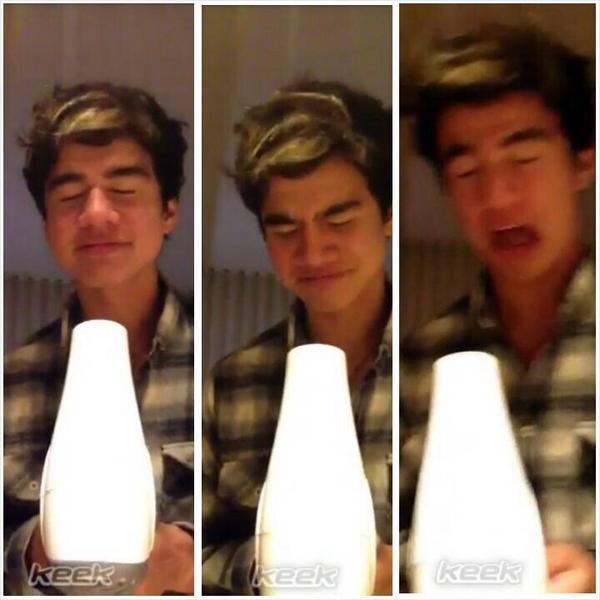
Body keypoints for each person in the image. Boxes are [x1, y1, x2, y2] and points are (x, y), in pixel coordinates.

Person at [400, 24, 595, 593]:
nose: (498, 198)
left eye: (524, 158)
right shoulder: (419, 362)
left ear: (583, 163)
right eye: (467, 173)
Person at [202, 80, 392, 595]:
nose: (312, 251)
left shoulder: (445, 365)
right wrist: (277, 569)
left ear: (388, 215)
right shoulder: (233, 384)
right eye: (285, 229)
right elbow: (195, 556)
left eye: (339, 218)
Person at [4, 83, 194, 595]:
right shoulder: (10, 383)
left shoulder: (228, 373)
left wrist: (191, 564)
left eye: (123, 189)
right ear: (47, 223)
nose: (95, 213)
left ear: (169, 210)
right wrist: (32, 558)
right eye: (69, 195)